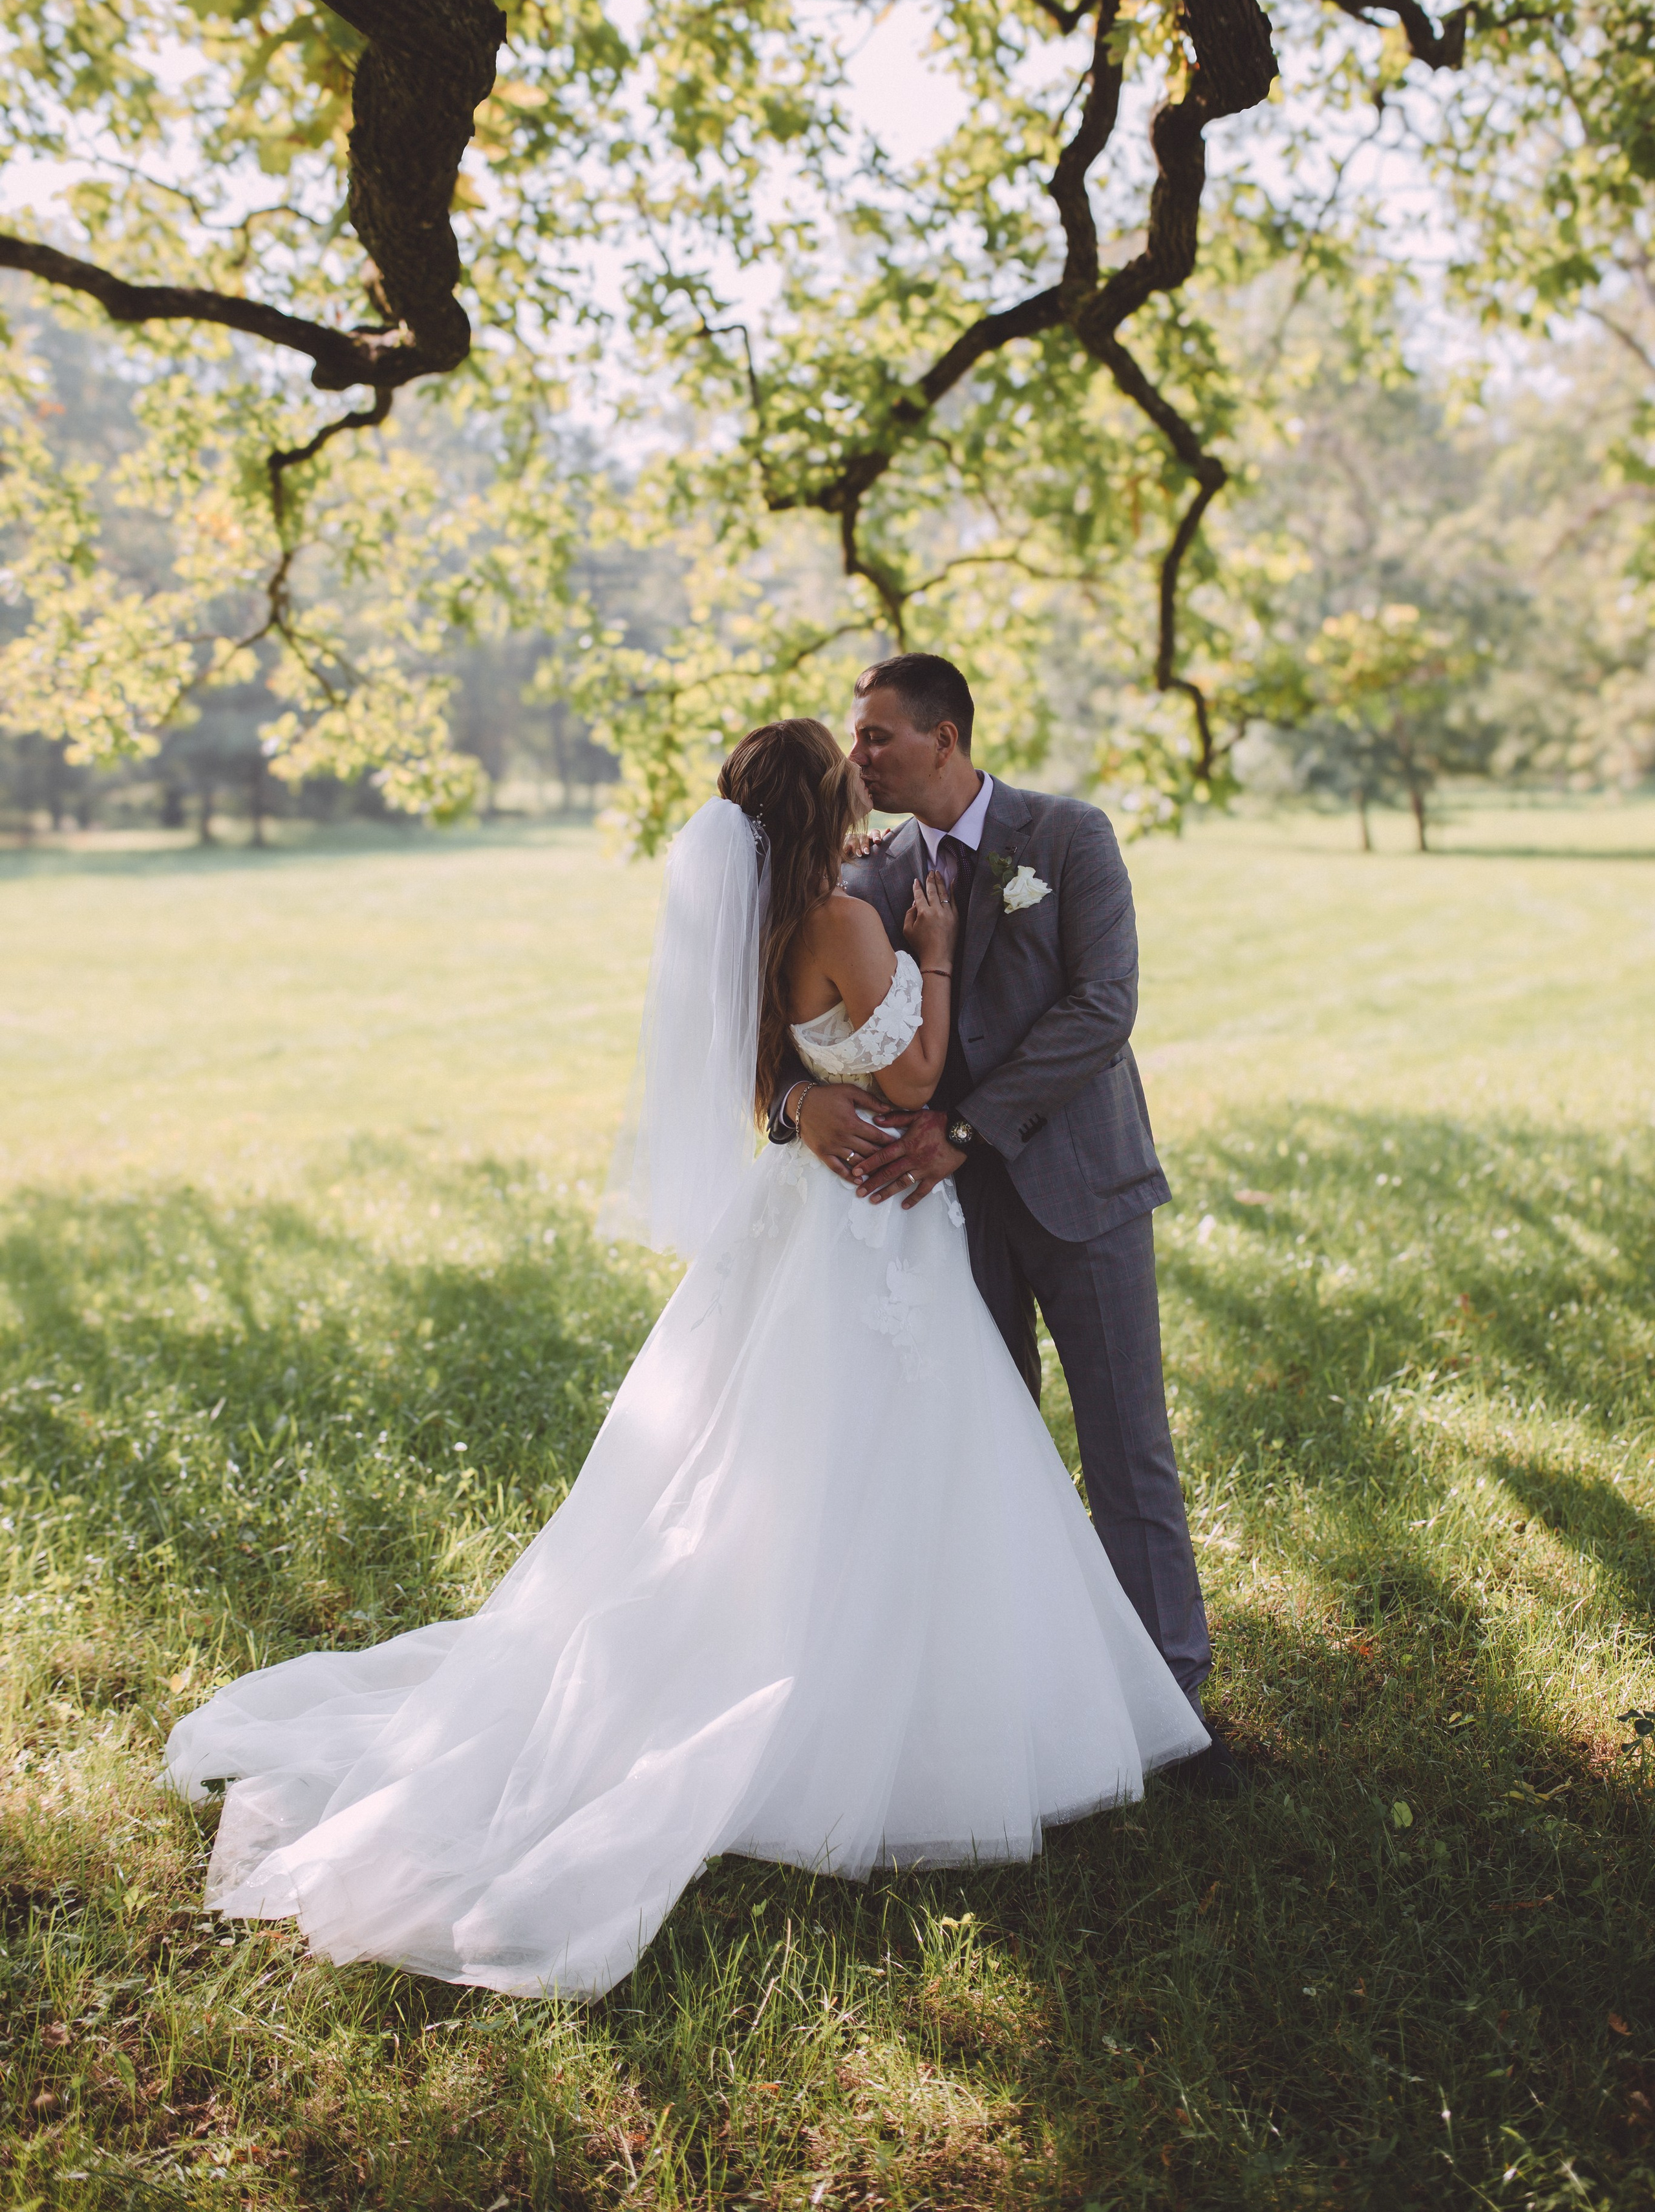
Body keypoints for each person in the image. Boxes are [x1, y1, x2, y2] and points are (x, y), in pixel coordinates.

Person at [162, 718, 1208, 2001]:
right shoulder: (849, 915)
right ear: (827, 808)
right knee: (893, 1460)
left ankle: (859, 1675)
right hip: (876, 1227)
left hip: (812, 1230)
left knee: (778, 1465)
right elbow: (918, 1061)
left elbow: (756, 1052)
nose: (869, 783)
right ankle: (891, 1722)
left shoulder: (764, 917)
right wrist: (930, 956)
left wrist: (799, 1085)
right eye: (849, 772)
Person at [768, 656, 1233, 1781]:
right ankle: (1019, 1700)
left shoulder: (1068, 837)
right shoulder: (864, 873)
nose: (859, 756)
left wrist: (965, 1128)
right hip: (941, 1219)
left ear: (947, 736)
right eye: (854, 739)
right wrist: (795, 1100)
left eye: (878, 737)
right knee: (990, 1453)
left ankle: (1175, 1711)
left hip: (1082, 1189)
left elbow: (1100, 1010)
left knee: (1130, 1451)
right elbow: (781, 1015)